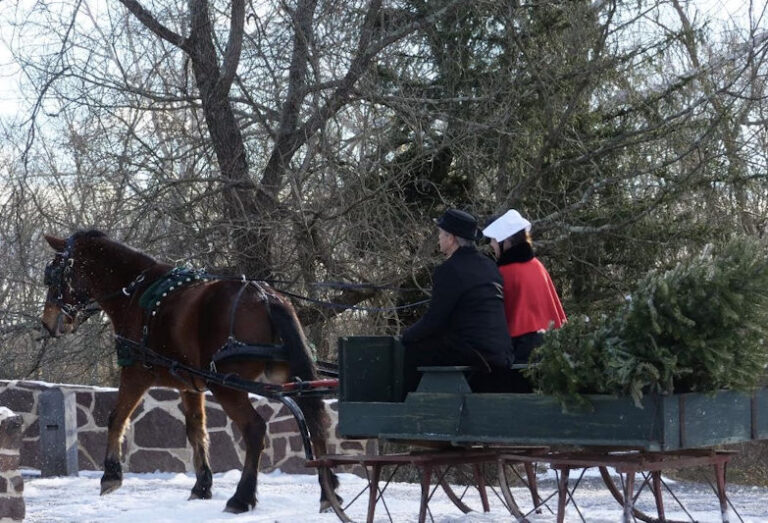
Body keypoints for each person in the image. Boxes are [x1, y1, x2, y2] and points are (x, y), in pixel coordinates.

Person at [401, 209, 513, 394]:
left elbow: (434, 320)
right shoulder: (490, 265)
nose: (438, 239)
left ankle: (409, 408)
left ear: (451, 238)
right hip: (502, 351)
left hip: (475, 353)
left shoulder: (449, 270)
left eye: (440, 234)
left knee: (414, 348)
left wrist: (407, 335)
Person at [482, 209, 566, 392]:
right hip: (551, 346)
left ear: (507, 241)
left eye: (495, 242)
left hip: (523, 351)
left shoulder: (504, 273)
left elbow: (496, 319)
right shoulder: (537, 266)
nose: (493, 247)